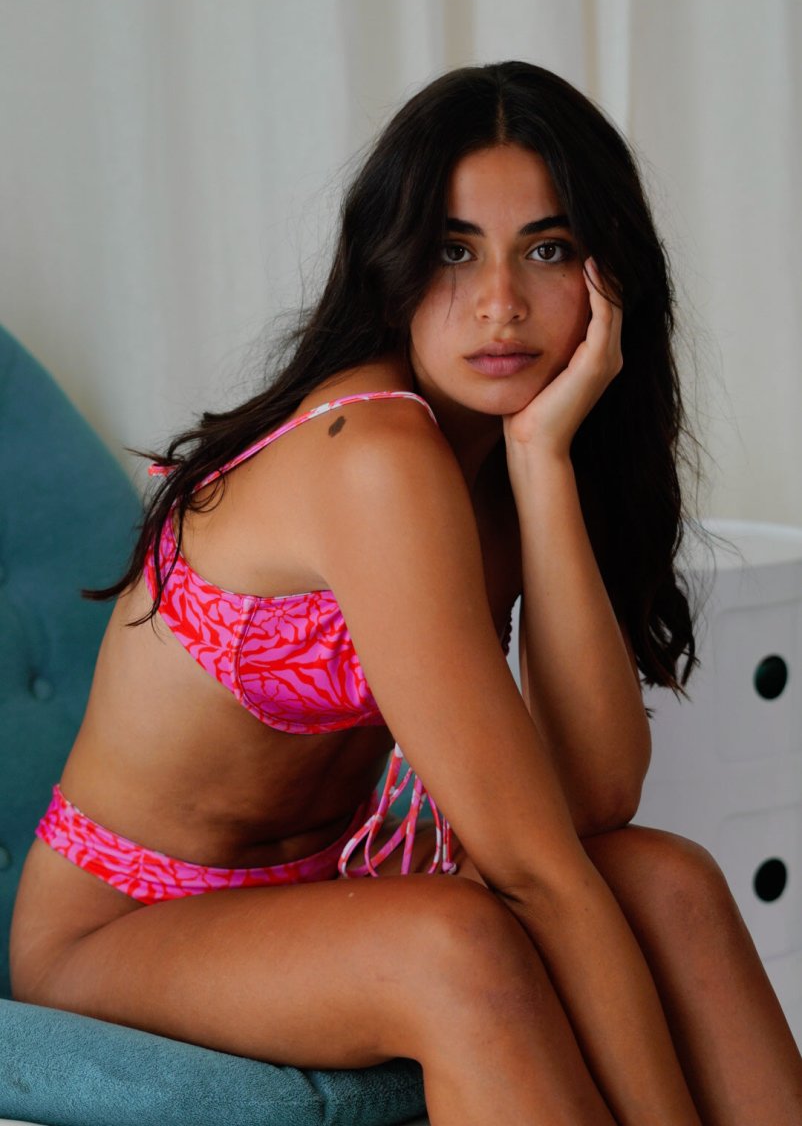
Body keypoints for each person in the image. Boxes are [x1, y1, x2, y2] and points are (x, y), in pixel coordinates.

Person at [10, 61, 802, 1125]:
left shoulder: (510, 453)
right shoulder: (375, 455)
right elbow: (529, 868)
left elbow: (596, 795)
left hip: (325, 892)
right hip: (118, 925)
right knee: (452, 947)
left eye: (548, 250)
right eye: (453, 250)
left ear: (606, 279)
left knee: (671, 882)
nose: (500, 304)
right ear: (392, 267)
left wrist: (542, 462)